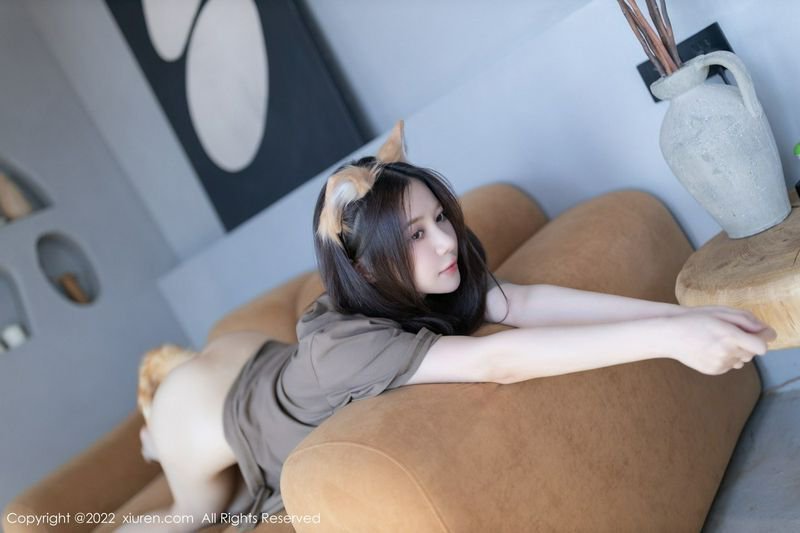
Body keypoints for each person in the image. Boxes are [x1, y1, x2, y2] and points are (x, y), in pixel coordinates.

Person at [117, 121, 776, 532]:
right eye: (416, 234)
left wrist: (678, 317)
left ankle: (153, 429)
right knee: (192, 514)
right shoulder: (355, 349)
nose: (445, 241)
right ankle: (144, 450)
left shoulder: (425, 277)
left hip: (251, 355)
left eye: (439, 218)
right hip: (204, 412)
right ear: (367, 262)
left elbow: (524, 303)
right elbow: (498, 361)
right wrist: (670, 341)